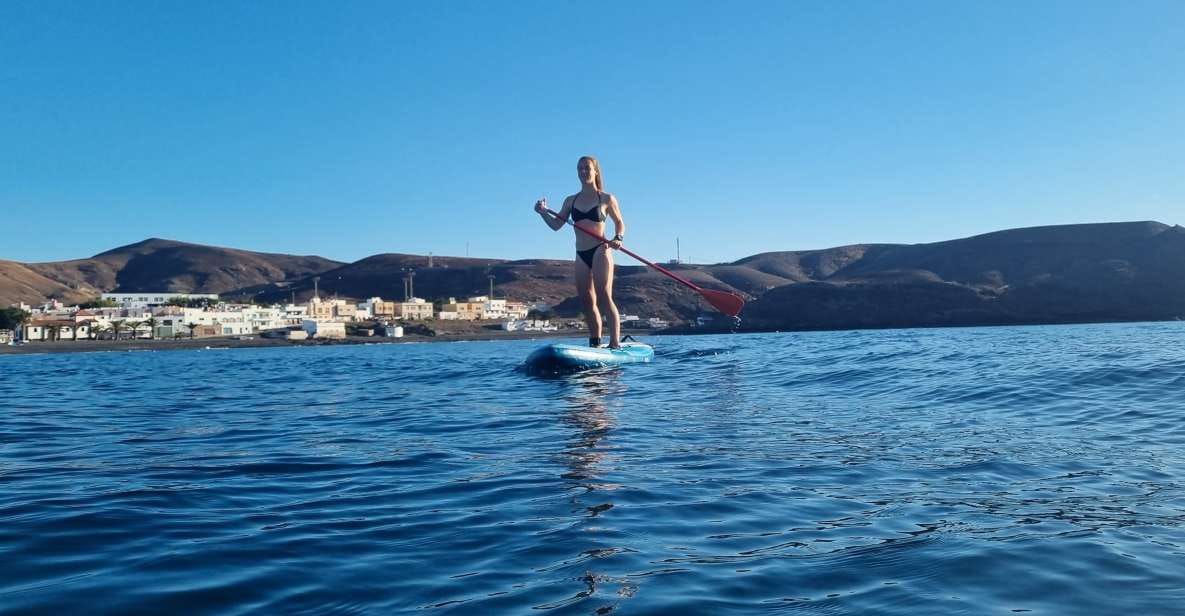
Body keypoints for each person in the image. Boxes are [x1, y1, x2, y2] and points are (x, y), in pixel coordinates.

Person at [534, 155, 626, 349]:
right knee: (586, 299)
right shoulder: (570, 201)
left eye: (587, 168)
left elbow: (620, 223)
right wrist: (543, 213)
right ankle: (595, 343)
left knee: (604, 295)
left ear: (595, 171)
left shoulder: (606, 198)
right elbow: (556, 225)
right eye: (580, 169)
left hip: (601, 249)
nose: (583, 172)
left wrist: (618, 238)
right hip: (581, 253)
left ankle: (615, 343)